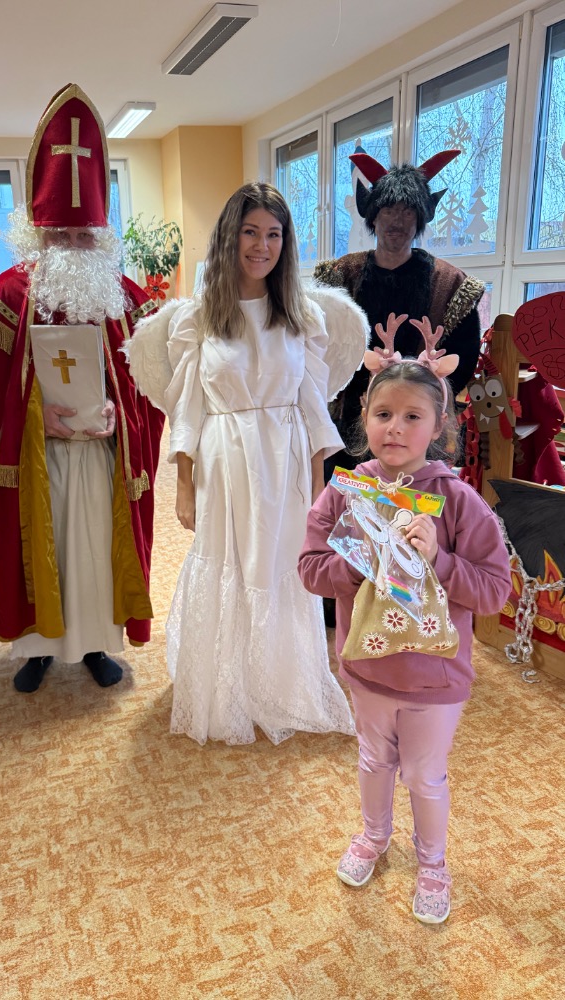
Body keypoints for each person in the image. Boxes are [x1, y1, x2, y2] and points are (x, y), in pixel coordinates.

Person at [128, 181, 369, 746]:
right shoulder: (198, 318)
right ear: (229, 237)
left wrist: (319, 490)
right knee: (229, 561)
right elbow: (187, 409)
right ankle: (226, 686)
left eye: (274, 235)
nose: (262, 246)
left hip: (286, 457)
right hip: (225, 458)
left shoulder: (303, 315)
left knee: (280, 564)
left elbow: (313, 408)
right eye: (250, 232)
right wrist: (183, 485)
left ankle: (278, 684)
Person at [298, 321, 511, 923]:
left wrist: (438, 561)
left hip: (435, 675)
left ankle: (433, 863)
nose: (395, 427)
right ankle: (373, 835)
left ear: (438, 426)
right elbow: (309, 569)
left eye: (412, 416)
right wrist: (357, 562)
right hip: (367, 665)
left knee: (424, 775)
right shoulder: (345, 492)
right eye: (383, 414)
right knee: (373, 761)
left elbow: (494, 591)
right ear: (364, 420)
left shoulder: (458, 501)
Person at [0, 83, 164, 695]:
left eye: (84, 238)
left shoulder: (127, 300)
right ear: (39, 234)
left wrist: (120, 414)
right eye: (61, 236)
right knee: (43, 545)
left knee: (95, 548)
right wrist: (37, 419)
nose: (73, 249)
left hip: (103, 455)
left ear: (100, 237)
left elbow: (150, 387)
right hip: (41, 457)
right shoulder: (4, 300)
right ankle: (37, 650)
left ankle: (97, 645)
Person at [313, 150, 486, 626]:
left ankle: (407, 604)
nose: (397, 220)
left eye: (409, 211)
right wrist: (359, 374)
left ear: (422, 217)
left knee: (411, 514)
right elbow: (319, 348)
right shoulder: (339, 278)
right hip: (348, 426)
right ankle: (342, 607)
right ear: (372, 214)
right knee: (348, 513)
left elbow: (463, 359)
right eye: (388, 209)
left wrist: (426, 381)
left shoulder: (450, 284)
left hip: (416, 430)